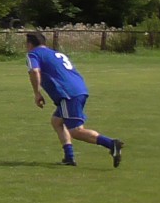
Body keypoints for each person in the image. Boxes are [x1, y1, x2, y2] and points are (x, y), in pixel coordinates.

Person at [25, 32, 124, 167]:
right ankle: (69, 157)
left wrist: (37, 93)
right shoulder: (53, 53)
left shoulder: (33, 54)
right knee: (57, 121)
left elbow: (34, 71)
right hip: (79, 89)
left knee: (76, 131)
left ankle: (111, 144)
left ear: (30, 44)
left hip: (67, 94)